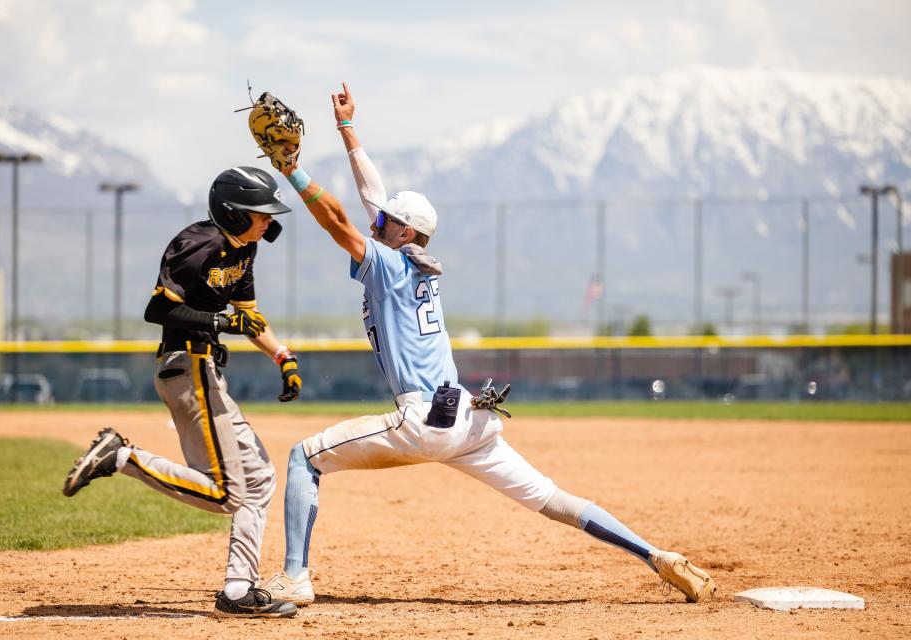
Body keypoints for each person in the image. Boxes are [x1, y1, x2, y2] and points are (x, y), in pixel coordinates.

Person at [259, 84, 716, 606]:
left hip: (423, 420)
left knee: (303, 458)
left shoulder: (386, 264)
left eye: (385, 221)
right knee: (553, 499)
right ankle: (656, 556)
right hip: (469, 420)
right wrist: (346, 130)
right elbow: (372, 198)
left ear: (403, 233)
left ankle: (295, 577)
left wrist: (292, 168)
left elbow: (339, 220)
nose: (374, 221)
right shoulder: (408, 260)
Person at [62, 166, 302, 619]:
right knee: (228, 494)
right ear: (233, 214)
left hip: (206, 371)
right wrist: (219, 323)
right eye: (261, 214)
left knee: (260, 480)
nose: (268, 221)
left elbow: (248, 317)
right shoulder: (200, 244)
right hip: (186, 368)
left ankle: (237, 590)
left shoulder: (244, 250)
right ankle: (122, 457)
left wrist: (282, 357)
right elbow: (158, 309)